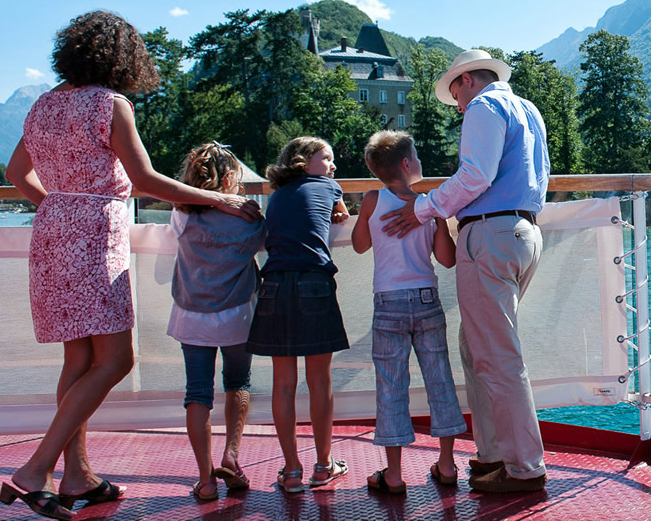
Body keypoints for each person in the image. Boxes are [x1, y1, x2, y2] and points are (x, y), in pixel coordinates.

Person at [1, 11, 260, 520]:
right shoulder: (109, 104)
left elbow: (15, 174)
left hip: (53, 232)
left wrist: (60, 208)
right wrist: (222, 200)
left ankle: (77, 475)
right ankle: (35, 470)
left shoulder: (43, 106)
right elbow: (146, 180)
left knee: (78, 361)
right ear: (123, 59)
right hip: (95, 236)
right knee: (117, 360)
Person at [382, 49, 551, 493]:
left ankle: (523, 468)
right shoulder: (528, 110)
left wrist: (423, 208)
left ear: (467, 81)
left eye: (454, 93)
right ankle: (493, 455)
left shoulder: (483, 106)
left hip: (491, 236)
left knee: (495, 356)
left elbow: (475, 175)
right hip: (523, 233)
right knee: (478, 348)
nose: (456, 104)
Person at [353, 130, 466, 494]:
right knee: (439, 380)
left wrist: (353, 213)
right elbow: (447, 261)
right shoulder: (427, 207)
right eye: (415, 155)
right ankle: (447, 465)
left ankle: (395, 474)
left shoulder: (372, 199)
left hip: (389, 302)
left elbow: (358, 245)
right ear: (406, 164)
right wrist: (441, 223)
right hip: (426, 300)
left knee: (390, 386)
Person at [246, 137, 351, 493]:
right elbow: (339, 212)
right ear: (305, 162)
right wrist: (338, 207)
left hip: (273, 284)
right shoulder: (329, 185)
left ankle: (291, 471)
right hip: (312, 283)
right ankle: (323, 465)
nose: (333, 165)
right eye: (327, 158)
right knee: (319, 380)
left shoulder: (275, 196)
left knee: (283, 383)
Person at [167, 142, 265, 502]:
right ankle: (232, 456)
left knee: (197, 393)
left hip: (190, 316)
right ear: (228, 179)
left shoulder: (181, 216)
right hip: (237, 315)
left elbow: (176, 196)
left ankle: (205, 480)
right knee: (238, 382)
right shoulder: (251, 220)